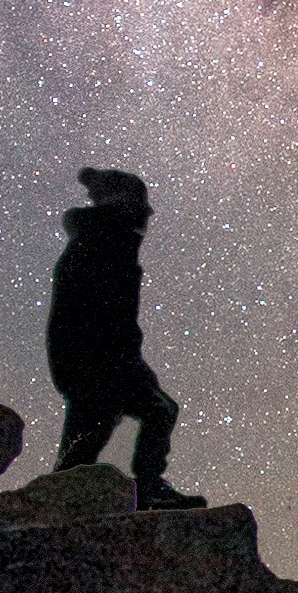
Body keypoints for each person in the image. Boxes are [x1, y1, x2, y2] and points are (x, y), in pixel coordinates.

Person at [46, 166, 203, 505]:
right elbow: (103, 317)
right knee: (155, 411)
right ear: (124, 206)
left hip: (90, 362)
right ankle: (146, 488)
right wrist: (126, 365)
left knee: (88, 440)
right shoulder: (105, 247)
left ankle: (60, 502)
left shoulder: (103, 243)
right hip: (95, 363)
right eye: (139, 208)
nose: (146, 218)